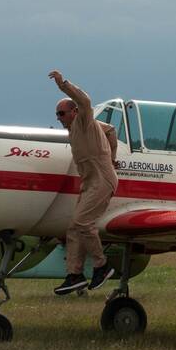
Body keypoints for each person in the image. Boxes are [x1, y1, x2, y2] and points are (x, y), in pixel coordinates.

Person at [49, 70, 119, 295]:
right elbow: (111, 131)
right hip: (89, 183)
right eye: (57, 114)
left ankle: (102, 266)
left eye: (61, 113)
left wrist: (63, 85)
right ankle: (74, 275)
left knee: (82, 222)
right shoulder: (76, 130)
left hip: (102, 180)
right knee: (73, 228)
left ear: (74, 112)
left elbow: (85, 100)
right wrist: (112, 157)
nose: (58, 118)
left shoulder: (85, 120)